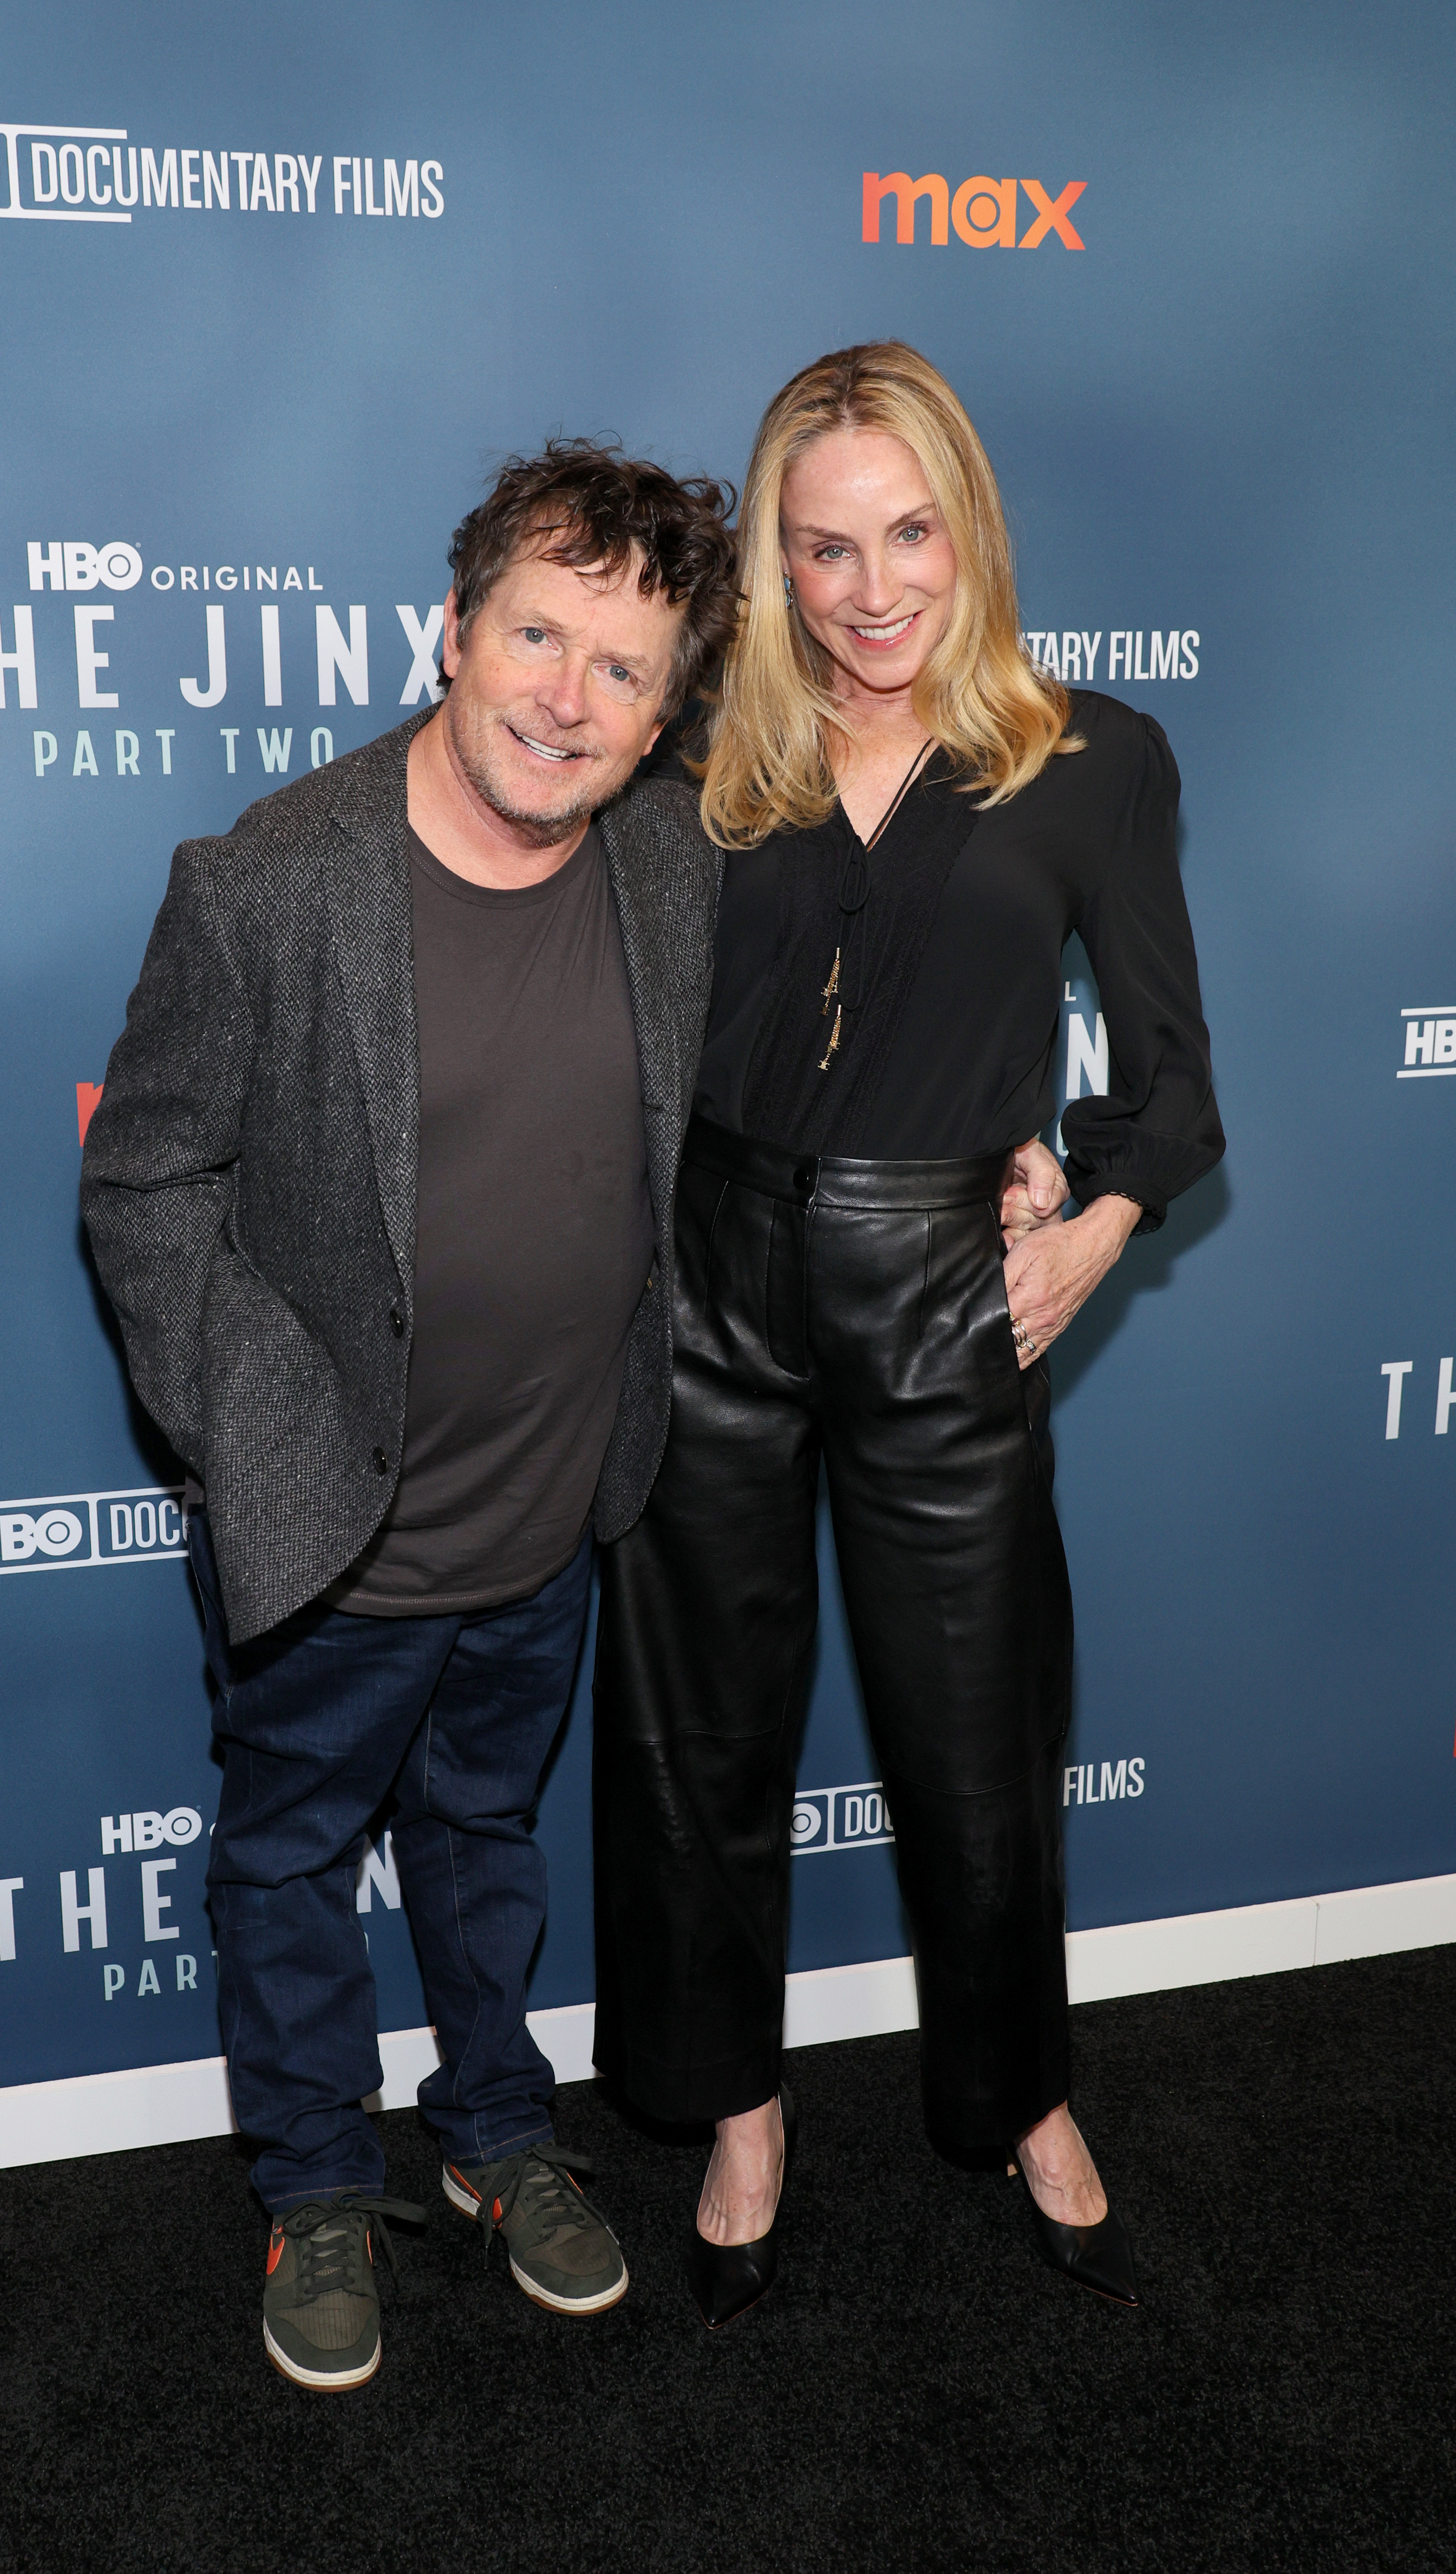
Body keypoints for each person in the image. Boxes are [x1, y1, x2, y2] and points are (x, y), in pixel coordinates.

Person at [80, 442, 743, 2390]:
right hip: (336, 1529)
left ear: (661, 707)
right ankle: (308, 2182)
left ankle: (495, 2136)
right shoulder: (271, 883)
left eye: (621, 670)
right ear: (451, 632)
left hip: (553, 1502)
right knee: (287, 1858)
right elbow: (144, 1185)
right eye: (537, 635)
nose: (567, 696)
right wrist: (248, 1433)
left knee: (483, 1835)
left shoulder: (675, 864)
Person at [592, 341, 1225, 2322]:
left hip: (948, 1280)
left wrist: (1087, 1228)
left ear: (970, 531)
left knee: (977, 1736)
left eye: (907, 535)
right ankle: (739, 2106)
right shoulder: (700, 761)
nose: (870, 591)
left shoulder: (1094, 760)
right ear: (772, 565)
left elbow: (1172, 1081)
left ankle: (1023, 2094)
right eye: (821, 549)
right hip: (707, 1277)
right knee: (698, 1739)